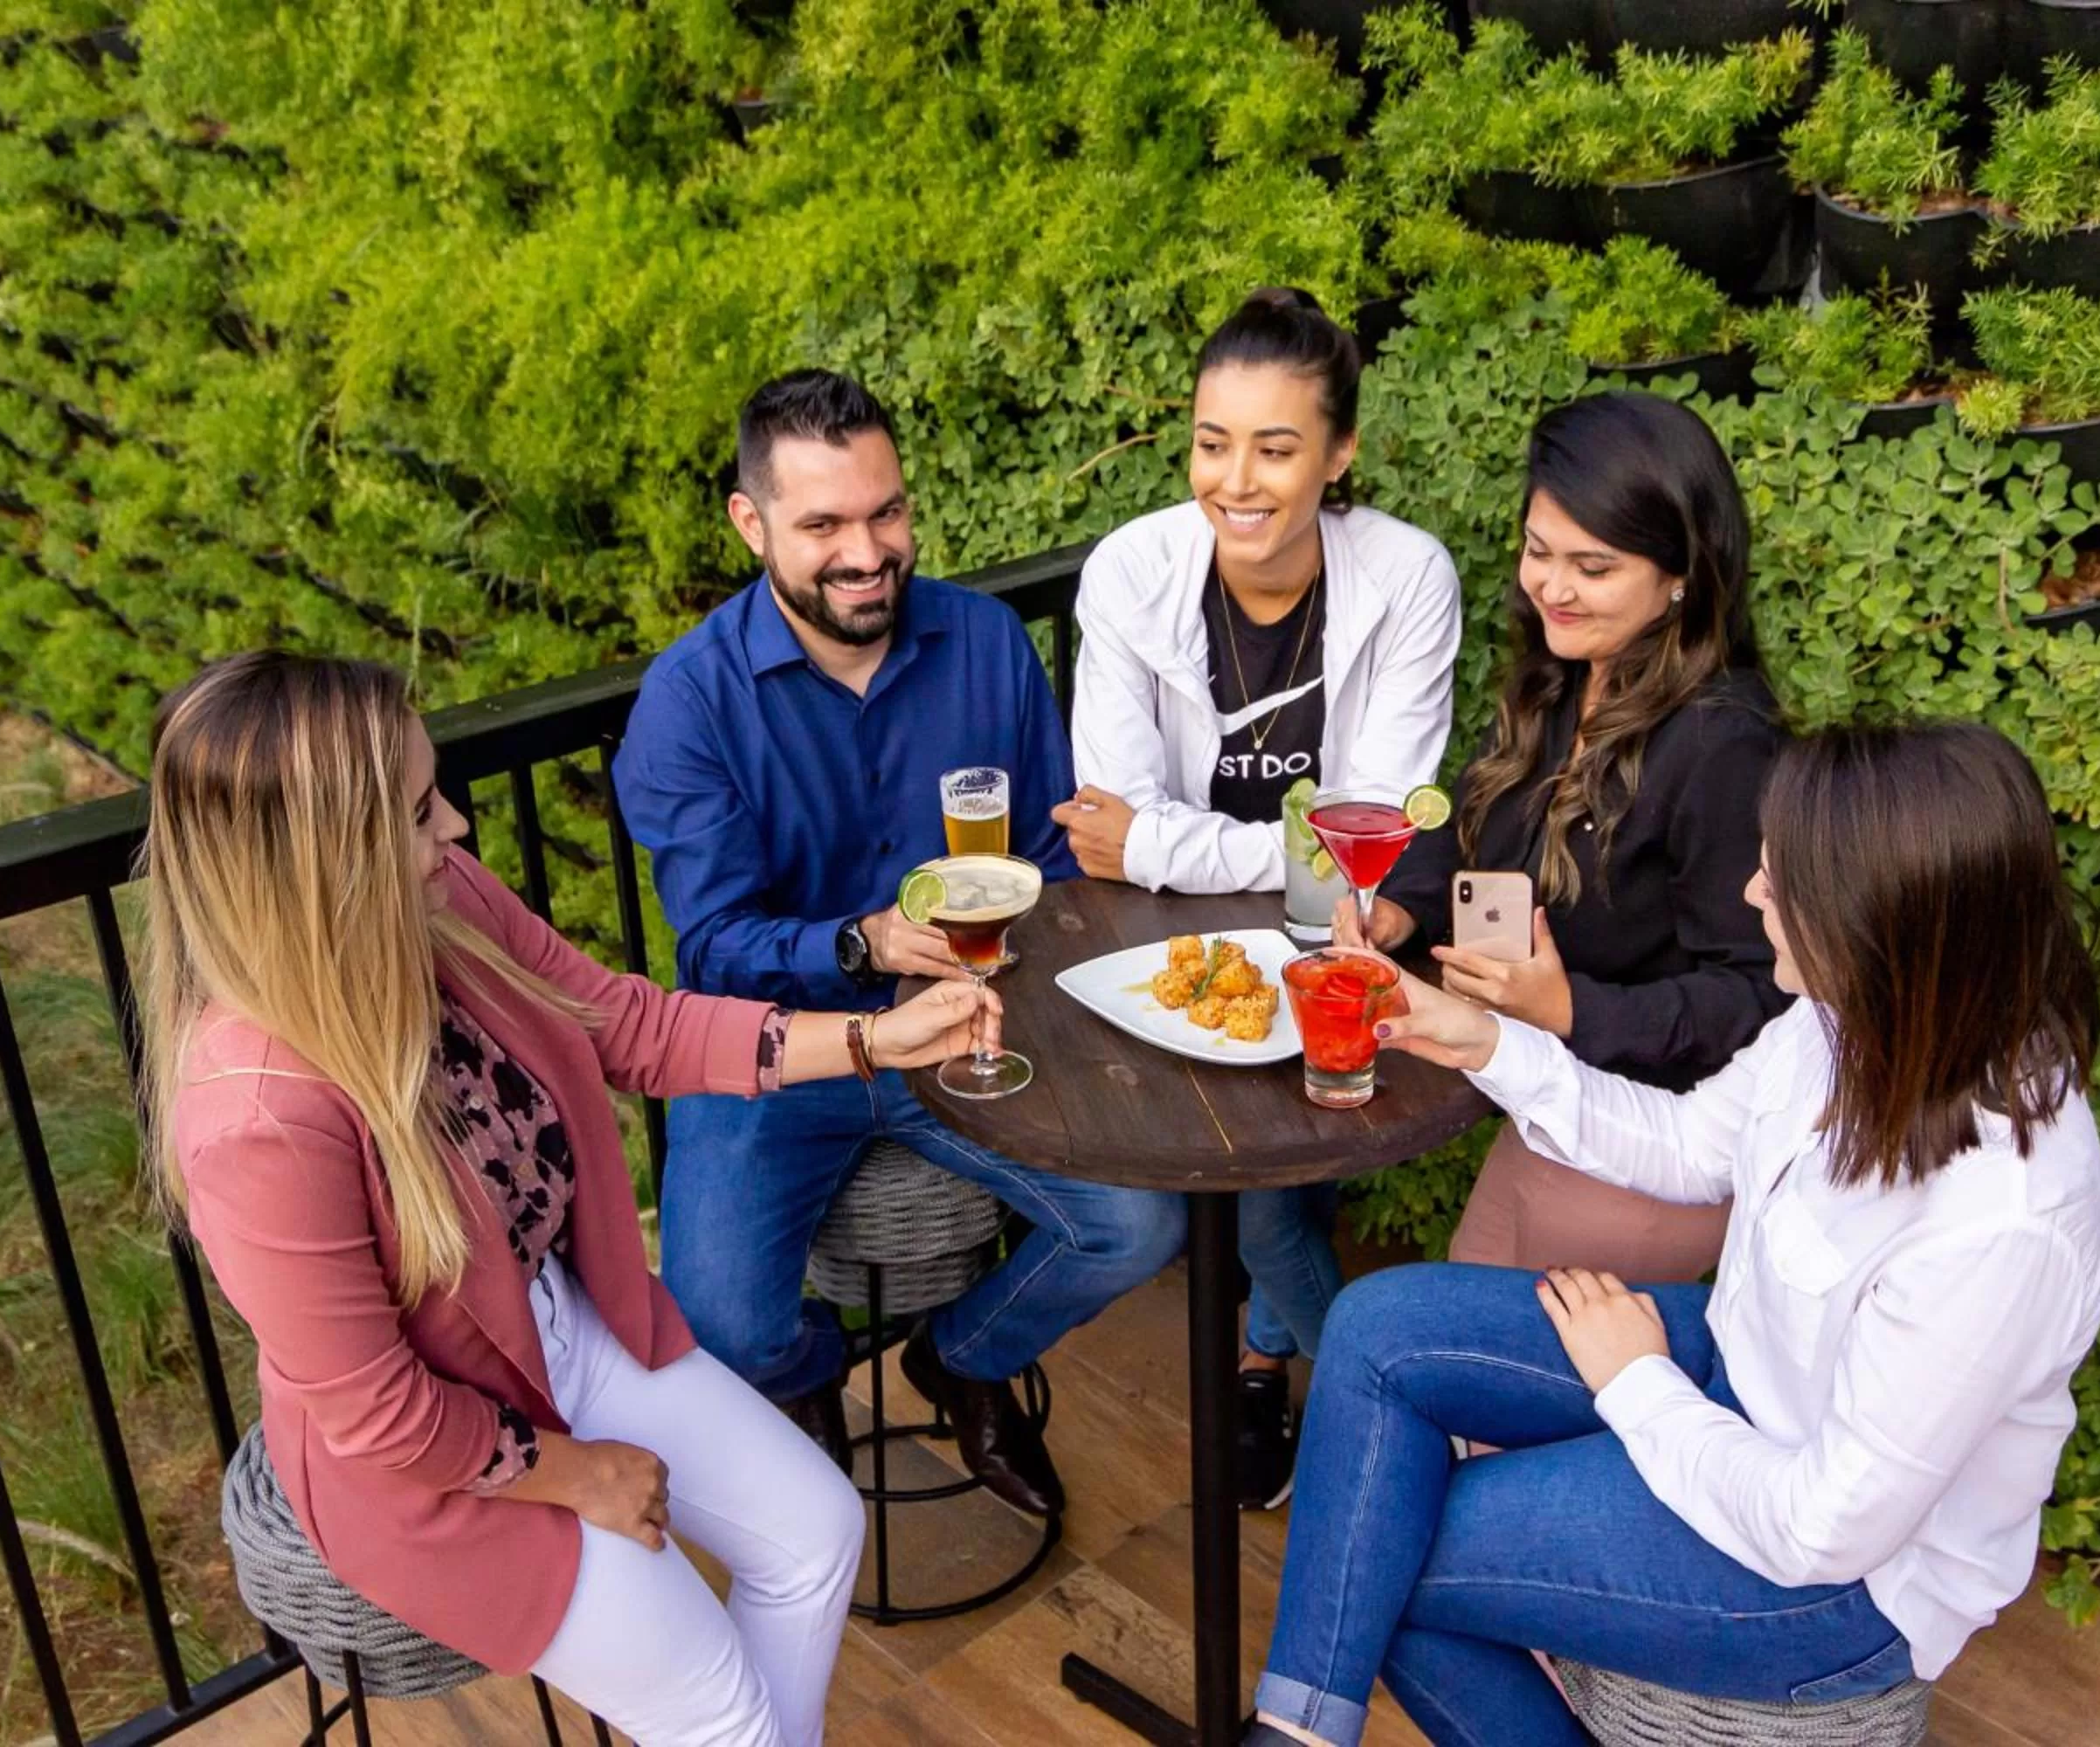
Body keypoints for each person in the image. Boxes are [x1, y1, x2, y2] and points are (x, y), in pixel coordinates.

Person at [149, 652, 1002, 1746]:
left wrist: (878, 1038)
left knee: (817, 1530)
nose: (453, 829)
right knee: (721, 1714)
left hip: (551, 1326)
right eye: (414, 815)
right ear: (320, 866)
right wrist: (580, 1476)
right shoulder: (255, 1116)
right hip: (436, 1464)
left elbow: (625, 1022)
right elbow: (380, 1413)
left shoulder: (436, 905)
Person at [1240, 722, 2100, 1747]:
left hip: (1838, 1587)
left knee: (1392, 1555)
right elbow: (1688, 1143)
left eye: (1781, 878)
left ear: (1882, 917)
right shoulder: (1850, 1021)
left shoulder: (2005, 1220)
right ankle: (1297, 1731)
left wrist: (1639, 1385)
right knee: (1380, 1328)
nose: (1751, 894)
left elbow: (1819, 1527)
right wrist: (1483, 1038)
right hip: (1735, 1377)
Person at [614, 369, 1185, 1519]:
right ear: (752, 522)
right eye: (824, 524)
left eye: (886, 511)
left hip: (974, 1019)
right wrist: (865, 943)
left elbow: (1054, 863)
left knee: (1141, 1225)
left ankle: (960, 1361)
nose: (867, 550)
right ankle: (815, 1378)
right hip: (782, 1055)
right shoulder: (688, 703)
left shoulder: (986, 644)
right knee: (721, 1321)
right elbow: (718, 949)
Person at [1059, 287, 1463, 1510]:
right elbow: (1104, 832)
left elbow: (1367, 840)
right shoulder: (1133, 572)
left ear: (1340, 455)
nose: (1236, 480)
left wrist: (1178, 846)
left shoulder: (1406, 578)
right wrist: (1263, 849)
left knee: (1289, 1186)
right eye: (1211, 441)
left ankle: (1294, 1376)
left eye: (1276, 447)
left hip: (1334, 932)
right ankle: (1385, 1411)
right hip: (1168, 952)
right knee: (1276, 1210)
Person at [1343, 390, 1789, 1288]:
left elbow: (1761, 995)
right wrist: (1396, 906)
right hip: (1546, 1103)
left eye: (1593, 565)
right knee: (1455, 1360)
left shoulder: (1722, 744)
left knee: (1496, 1388)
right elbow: (1470, 818)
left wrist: (1571, 1008)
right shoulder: (1562, 674)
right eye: (1538, 551)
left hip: (1655, 1140)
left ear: (1682, 575)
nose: (1550, 585)